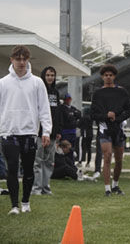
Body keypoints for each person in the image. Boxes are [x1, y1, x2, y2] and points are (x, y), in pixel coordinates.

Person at [0, 45, 52, 214]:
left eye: (24, 59)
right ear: (12, 60)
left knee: (29, 169)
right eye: (18, 59)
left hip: (30, 132)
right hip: (9, 132)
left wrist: (46, 131)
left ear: (28, 60)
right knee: (12, 168)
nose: (21, 62)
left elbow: (44, 108)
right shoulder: (3, 83)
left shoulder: (37, 82)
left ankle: (25, 202)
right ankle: (14, 205)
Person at [91, 64, 130, 196]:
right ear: (102, 77)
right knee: (107, 155)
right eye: (106, 75)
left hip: (118, 129)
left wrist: (118, 118)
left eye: (110, 75)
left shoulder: (122, 92)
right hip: (104, 129)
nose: (108, 77)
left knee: (119, 159)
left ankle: (115, 184)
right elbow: (93, 114)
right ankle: (107, 188)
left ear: (114, 76)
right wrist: (106, 116)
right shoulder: (98, 94)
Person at [31, 66, 63, 195]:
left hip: (52, 133)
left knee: (49, 161)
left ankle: (46, 187)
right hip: (39, 132)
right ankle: (37, 188)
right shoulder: (38, 90)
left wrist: (58, 130)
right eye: (48, 75)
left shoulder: (55, 92)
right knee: (38, 160)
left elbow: (57, 112)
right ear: (43, 76)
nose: (50, 77)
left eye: (52, 75)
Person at [60, 93, 81, 163]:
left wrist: (72, 114)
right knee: (65, 149)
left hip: (73, 132)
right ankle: (65, 163)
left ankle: (71, 163)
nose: (68, 100)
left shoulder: (72, 108)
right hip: (65, 132)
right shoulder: (62, 108)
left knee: (72, 149)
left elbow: (79, 114)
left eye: (69, 99)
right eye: (67, 99)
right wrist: (72, 114)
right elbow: (67, 117)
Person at [79, 101, 94, 168]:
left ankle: (80, 161)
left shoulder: (83, 118)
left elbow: (78, 124)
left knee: (82, 148)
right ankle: (88, 162)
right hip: (90, 133)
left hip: (84, 134)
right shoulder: (91, 118)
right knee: (89, 148)